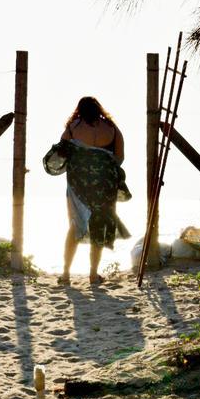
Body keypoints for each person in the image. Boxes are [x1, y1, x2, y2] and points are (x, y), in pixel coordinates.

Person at [56, 96, 129, 285]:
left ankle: (65, 274)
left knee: (74, 225)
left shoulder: (73, 127)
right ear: (99, 109)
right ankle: (93, 275)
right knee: (98, 225)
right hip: (104, 184)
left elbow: (61, 153)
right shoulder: (112, 128)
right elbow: (119, 158)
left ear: (79, 109)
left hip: (78, 183)